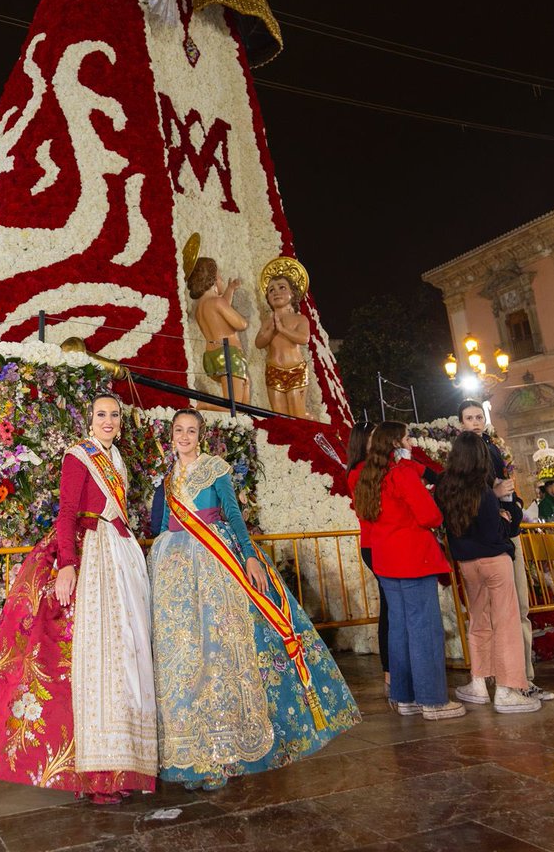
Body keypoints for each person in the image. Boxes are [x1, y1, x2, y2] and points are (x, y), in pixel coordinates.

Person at [0, 393, 157, 802]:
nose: (108, 420)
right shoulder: (79, 457)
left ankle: (121, 765)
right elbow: (67, 512)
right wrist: (68, 564)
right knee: (89, 663)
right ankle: (93, 775)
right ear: (90, 420)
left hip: (119, 556)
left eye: (114, 415)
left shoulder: (117, 460)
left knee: (122, 661)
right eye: (101, 414)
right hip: (91, 556)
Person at [148, 409, 360, 789]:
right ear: (172, 434)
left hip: (217, 566)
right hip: (177, 576)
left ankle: (224, 754)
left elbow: (233, 516)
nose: (184, 436)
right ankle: (191, 754)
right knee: (185, 658)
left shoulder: (216, 469)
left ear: (200, 435)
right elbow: (163, 526)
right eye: (179, 430)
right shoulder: (167, 480)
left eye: (191, 430)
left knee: (219, 655)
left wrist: (249, 556)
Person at [353, 421, 465, 721]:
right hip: (413, 558)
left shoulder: (367, 476)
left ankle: (404, 697)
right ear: (394, 443)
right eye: (406, 438)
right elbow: (430, 516)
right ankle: (433, 700)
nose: (411, 442)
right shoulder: (400, 473)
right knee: (424, 628)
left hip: (386, 559)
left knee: (400, 628)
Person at [435, 432, 541, 714]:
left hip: (467, 564)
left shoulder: (445, 488)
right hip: (494, 561)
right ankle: (507, 689)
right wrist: (507, 515)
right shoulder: (483, 490)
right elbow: (494, 532)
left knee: (478, 622)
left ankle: (479, 683)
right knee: (506, 622)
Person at [457, 399, 554, 702]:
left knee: (518, 610)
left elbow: (506, 487)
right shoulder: (463, 456)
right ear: (461, 423)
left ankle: (522, 679)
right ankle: (500, 682)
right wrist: (494, 495)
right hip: (486, 544)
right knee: (490, 617)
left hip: (506, 535)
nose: (475, 422)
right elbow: (465, 494)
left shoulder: (493, 448)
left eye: (479, 417)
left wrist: (514, 504)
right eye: (469, 418)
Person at [345, 420, 388, 692]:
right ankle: (390, 671)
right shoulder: (360, 472)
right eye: (374, 436)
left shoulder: (374, 468)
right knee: (391, 608)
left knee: (392, 606)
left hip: (384, 543)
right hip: (376, 544)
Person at [188, 256, 250, 406]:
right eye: (220, 276)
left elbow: (221, 311)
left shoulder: (200, 309)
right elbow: (241, 324)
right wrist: (244, 319)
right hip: (229, 355)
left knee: (244, 395)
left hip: (212, 357)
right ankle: (201, 405)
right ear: (214, 279)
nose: (222, 279)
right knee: (234, 406)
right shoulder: (217, 302)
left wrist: (230, 289)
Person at [255, 262, 311, 418]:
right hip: (273, 371)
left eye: (282, 287)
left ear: (292, 293)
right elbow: (259, 343)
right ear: (268, 298)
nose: (276, 292)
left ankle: (308, 423)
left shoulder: (300, 319)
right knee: (279, 415)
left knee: (297, 414)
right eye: (271, 290)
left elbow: (304, 338)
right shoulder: (268, 322)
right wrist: (270, 331)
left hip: (295, 370)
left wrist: (282, 330)